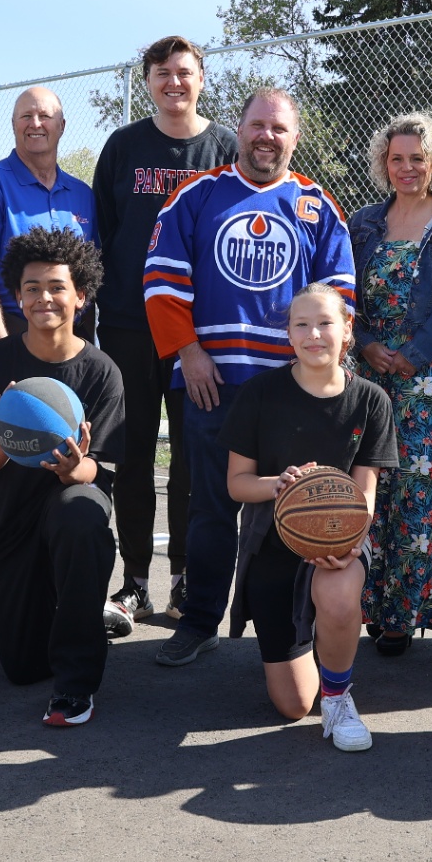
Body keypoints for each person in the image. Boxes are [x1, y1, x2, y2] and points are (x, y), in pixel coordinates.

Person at [144, 87, 355, 668]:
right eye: (258, 125)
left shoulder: (316, 206)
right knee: (211, 506)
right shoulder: (197, 194)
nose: (267, 136)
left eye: (279, 128)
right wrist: (188, 351)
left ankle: (292, 631)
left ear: (295, 137)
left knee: (298, 502)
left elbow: (337, 299)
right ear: (238, 129)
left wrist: (314, 370)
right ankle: (200, 619)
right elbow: (161, 280)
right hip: (214, 381)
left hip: (293, 390)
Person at [0, 228, 128, 727]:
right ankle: (68, 614)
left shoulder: (101, 372)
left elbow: (100, 471)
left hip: (68, 504)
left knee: (80, 514)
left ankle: (76, 685)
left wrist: (75, 468)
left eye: (56, 287)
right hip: (8, 518)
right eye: (31, 288)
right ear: (17, 295)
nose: (44, 297)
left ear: (80, 295)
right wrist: (8, 440)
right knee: (23, 667)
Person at [92, 36, 237, 628]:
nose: (173, 82)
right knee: (130, 454)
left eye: (184, 72)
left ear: (201, 78)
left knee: (192, 458)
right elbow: (101, 233)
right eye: (161, 73)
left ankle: (183, 577)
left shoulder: (224, 146)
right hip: (130, 324)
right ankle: (134, 583)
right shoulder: (124, 146)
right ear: (147, 80)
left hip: (200, 333)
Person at [221, 283, 397, 750]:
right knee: (294, 705)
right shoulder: (260, 393)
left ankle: (339, 698)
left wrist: (349, 542)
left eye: (325, 323)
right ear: (288, 333)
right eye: (301, 324)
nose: (313, 333)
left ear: (347, 330)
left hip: (338, 542)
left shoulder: (371, 400)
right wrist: (280, 485)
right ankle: (313, 654)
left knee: (339, 596)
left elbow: (366, 491)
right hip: (273, 547)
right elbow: (237, 483)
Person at [347, 113, 432, 654]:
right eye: (397, 158)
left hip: (428, 376)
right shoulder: (363, 222)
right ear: (385, 162)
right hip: (369, 370)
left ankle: (402, 614)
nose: (407, 168)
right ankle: (363, 603)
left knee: (419, 491)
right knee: (370, 481)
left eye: (418, 159)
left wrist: (414, 354)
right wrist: (366, 344)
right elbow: (344, 290)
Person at [0, 85, 98, 349]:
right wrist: (1, 351)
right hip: (11, 331)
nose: (35, 123)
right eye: (26, 116)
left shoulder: (82, 194)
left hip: (69, 340)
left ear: (62, 125)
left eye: (44, 115)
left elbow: (88, 279)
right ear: (13, 124)